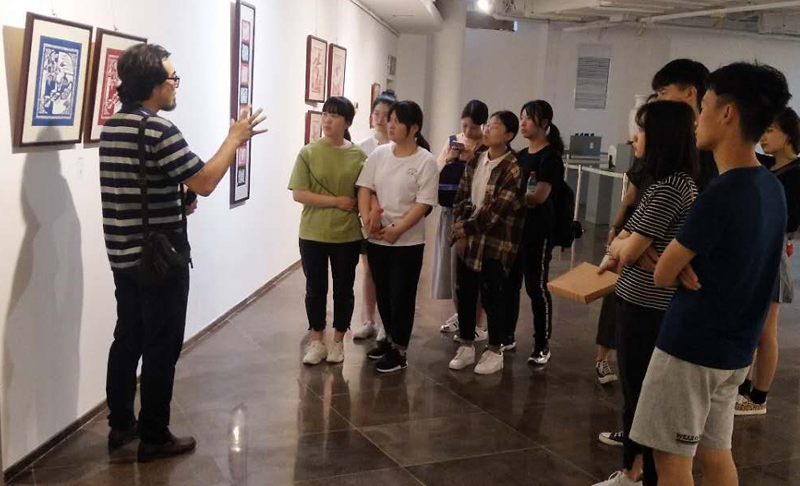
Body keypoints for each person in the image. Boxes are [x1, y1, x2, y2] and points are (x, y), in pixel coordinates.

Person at [101, 43, 266, 461]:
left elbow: (140, 181)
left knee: (128, 337)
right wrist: (234, 139)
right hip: (159, 260)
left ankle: (121, 425)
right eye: (172, 78)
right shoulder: (159, 129)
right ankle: (154, 436)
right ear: (153, 84)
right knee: (161, 345)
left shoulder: (114, 125)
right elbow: (205, 181)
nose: (176, 85)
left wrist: (176, 197)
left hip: (122, 254)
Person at [631, 62, 790, 486]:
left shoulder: (722, 192)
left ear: (727, 113)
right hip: (735, 351)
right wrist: (678, 262)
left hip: (690, 350)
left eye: (703, 107)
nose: (696, 119)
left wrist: (669, 261)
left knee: (672, 464)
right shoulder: (771, 187)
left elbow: (663, 274)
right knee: (717, 456)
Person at [594, 101, 699, 486]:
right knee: (634, 391)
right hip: (635, 298)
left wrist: (631, 249)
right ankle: (632, 469)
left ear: (662, 137)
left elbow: (625, 249)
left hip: (648, 306)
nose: (633, 138)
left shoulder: (672, 187)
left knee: (643, 397)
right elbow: (622, 238)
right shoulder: (661, 184)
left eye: (640, 130)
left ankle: (639, 474)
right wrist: (629, 247)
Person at [356, 101, 438, 373]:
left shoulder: (425, 161)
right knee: (383, 291)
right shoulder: (379, 154)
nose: (390, 125)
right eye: (389, 119)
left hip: (407, 242)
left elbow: (424, 203)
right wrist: (367, 219)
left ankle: (400, 350)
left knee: (401, 295)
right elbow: (365, 187)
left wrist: (397, 229)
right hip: (377, 236)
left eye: (397, 121)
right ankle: (389, 339)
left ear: (414, 128)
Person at [289, 96, 367, 366]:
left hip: (347, 234)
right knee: (315, 288)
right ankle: (316, 341)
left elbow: (365, 193)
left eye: (334, 115)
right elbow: (299, 193)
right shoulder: (308, 152)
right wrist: (337, 201)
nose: (327, 120)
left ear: (347, 122)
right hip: (313, 233)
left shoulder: (359, 156)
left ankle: (338, 342)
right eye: (325, 114)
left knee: (344, 289)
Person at [448, 111, 525, 375]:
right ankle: (466, 345)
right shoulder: (477, 159)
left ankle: (495, 350)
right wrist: (461, 232)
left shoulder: (513, 168)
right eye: (487, 124)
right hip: (469, 239)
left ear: (509, 135)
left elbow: (495, 213)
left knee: (493, 297)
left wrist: (461, 230)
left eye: (495, 126)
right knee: (466, 292)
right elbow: (461, 197)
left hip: (495, 243)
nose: (488, 129)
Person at [736, 107, 800, 415]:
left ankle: (759, 397)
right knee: (750, 324)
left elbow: (791, 219)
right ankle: (743, 387)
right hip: (755, 251)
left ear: (788, 135)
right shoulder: (766, 166)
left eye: (770, 131)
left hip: (772, 253)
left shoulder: (796, 173)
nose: (763, 137)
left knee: (766, 329)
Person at [506, 100, 564, 364]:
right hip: (517, 229)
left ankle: (542, 344)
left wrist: (512, 197)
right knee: (510, 284)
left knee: (536, 286)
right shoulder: (520, 155)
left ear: (544, 123)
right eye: (522, 118)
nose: (523, 123)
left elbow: (540, 195)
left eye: (528, 118)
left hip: (538, 231)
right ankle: (507, 335)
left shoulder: (550, 157)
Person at [434, 100, 489, 341]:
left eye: (473, 127)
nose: (467, 132)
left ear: (484, 125)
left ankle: (478, 323)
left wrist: (470, 159)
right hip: (451, 212)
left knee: (475, 269)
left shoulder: (488, 145)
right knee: (453, 269)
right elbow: (435, 171)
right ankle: (461, 315)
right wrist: (451, 158)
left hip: (476, 216)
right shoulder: (453, 141)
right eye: (464, 125)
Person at [352, 90, 397, 342]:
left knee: (389, 272)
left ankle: (386, 322)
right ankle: (369, 319)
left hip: (394, 215)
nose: (379, 119)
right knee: (369, 269)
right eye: (375, 113)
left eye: (385, 114)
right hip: (368, 216)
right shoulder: (362, 147)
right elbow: (360, 185)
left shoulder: (400, 148)